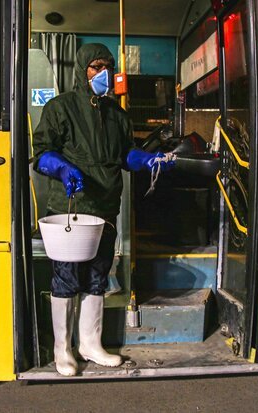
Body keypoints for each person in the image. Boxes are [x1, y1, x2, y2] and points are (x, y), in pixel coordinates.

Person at [32, 43, 175, 376]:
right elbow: (41, 153)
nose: (104, 73)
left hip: (105, 209)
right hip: (70, 208)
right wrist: (63, 169)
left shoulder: (118, 115)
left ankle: (90, 345)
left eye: (108, 66)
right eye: (97, 66)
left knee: (97, 276)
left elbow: (126, 154)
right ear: (83, 70)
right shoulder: (60, 108)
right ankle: (62, 349)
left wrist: (148, 160)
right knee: (66, 277)